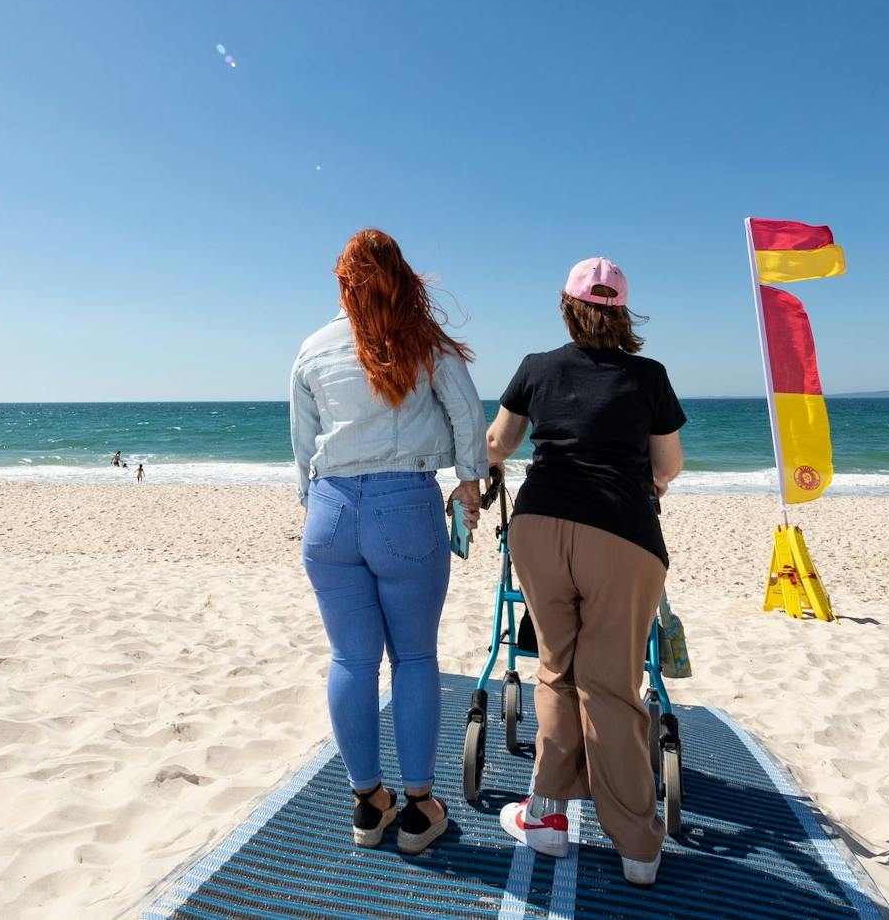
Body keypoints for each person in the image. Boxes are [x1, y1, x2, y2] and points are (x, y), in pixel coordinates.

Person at [487, 257, 684, 887]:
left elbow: (497, 444)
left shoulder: (536, 368)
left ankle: (547, 818)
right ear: (623, 311)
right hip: (623, 535)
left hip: (541, 527)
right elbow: (669, 466)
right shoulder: (649, 376)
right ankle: (637, 849)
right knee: (613, 685)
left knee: (556, 669)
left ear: (567, 306)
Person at [291, 229, 487, 855]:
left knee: (351, 659)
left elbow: (303, 445)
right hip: (404, 505)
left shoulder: (313, 348)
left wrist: (317, 503)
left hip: (330, 510)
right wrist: (470, 481)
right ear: (401, 275)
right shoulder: (422, 341)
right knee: (413, 658)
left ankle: (366, 803)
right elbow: (466, 414)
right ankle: (419, 807)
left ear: (342, 283)